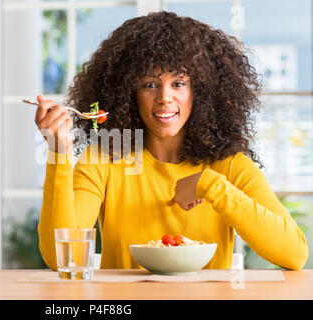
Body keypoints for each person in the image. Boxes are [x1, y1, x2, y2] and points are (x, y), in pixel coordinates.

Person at [34, 11, 308, 270]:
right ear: (129, 93)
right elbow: (62, 258)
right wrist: (58, 153)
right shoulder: (104, 158)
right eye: (150, 85)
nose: (165, 97)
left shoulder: (230, 165)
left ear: (200, 91)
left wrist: (209, 185)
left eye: (179, 84)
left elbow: (294, 253)